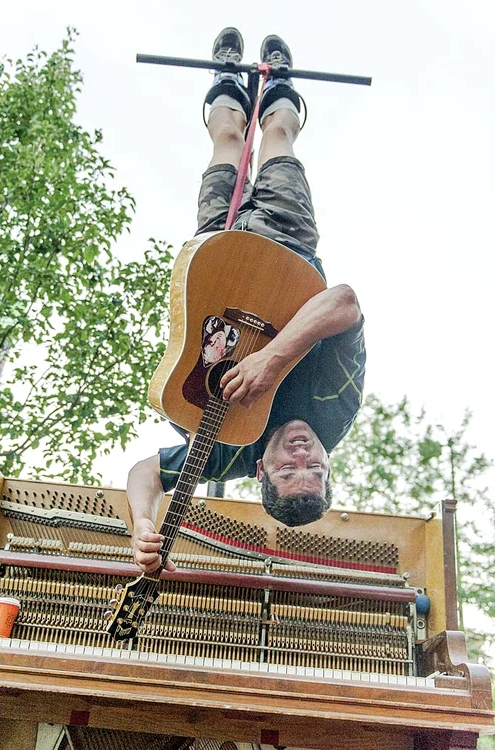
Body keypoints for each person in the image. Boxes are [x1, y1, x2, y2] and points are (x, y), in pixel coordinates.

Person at [128, 28, 366, 575]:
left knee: (228, 144)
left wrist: (142, 523)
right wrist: (271, 358)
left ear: (260, 470)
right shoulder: (336, 407)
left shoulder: (227, 451)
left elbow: (145, 471)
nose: (302, 456)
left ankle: (226, 79)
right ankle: (280, 80)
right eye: (315, 468)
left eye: (289, 470)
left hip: (220, 260)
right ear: (329, 464)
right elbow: (344, 303)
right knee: (279, 134)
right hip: (288, 249)